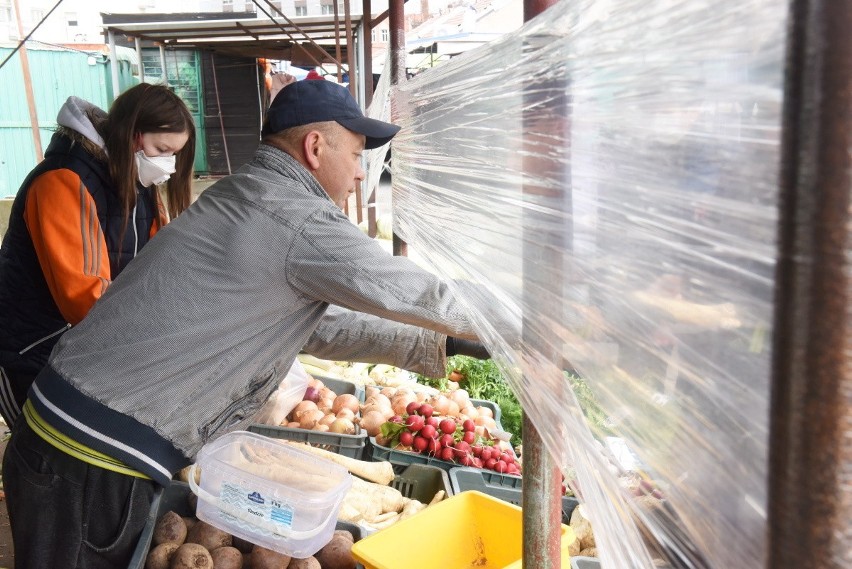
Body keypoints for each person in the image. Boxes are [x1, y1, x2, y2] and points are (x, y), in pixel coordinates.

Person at [3, 78, 490, 568]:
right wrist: (526, 323)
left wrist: (445, 343)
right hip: (88, 457)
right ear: (315, 147)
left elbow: (324, 327)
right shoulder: (292, 215)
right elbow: (419, 291)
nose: (362, 174)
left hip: (68, 443)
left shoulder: (249, 198)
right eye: (359, 154)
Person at [0, 83, 196, 429]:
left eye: (174, 154)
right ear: (133, 137)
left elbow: (162, 264)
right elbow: (85, 297)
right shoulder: (63, 181)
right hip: (30, 350)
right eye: (162, 149)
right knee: (37, 456)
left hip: (85, 352)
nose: (168, 163)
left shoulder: (137, 185)